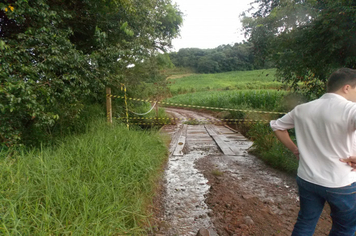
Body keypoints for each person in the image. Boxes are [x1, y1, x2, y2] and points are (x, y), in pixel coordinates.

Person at [270, 68, 356, 236]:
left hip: (307, 179)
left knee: (305, 222)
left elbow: (277, 126)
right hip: (341, 182)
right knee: (345, 228)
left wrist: (295, 150)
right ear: (346, 88)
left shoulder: (302, 109)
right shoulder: (351, 109)